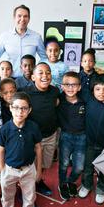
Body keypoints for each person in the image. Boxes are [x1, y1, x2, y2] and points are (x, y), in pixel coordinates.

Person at [0, 92, 42, 207]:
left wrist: (39, 170)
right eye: (16, 107)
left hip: (28, 169)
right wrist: (3, 169)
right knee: (7, 196)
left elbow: (38, 148)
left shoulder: (33, 127)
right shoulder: (5, 129)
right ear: (10, 108)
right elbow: (1, 151)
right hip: (9, 170)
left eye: (23, 108)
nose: (19, 112)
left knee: (29, 197)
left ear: (29, 110)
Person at [78, 74, 104, 205]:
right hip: (89, 144)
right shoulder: (88, 100)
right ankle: (86, 185)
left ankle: (102, 189)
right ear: (92, 90)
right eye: (98, 89)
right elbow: (79, 87)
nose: (101, 93)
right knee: (88, 168)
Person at [23, 62, 60, 196]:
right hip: (32, 138)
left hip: (50, 135)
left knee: (43, 164)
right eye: (40, 73)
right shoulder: (25, 93)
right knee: (28, 166)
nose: (45, 75)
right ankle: (25, 191)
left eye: (48, 72)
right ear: (33, 77)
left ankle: (38, 182)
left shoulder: (55, 91)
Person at [0, 5, 47, 77]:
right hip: (10, 80)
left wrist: (37, 71)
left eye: (25, 16)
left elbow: (44, 58)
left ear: (29, 19)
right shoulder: (4, 36)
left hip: (29, 79)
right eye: (19, 16)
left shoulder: (36, 37)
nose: (22, 19)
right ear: (14, 18)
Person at [56, 72, 86, 201]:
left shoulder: (84, 101)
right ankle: (62, 184)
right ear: (62, 86)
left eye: (74, 85)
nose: (70, 88)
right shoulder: (58, 100)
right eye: (67, 84)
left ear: (79, 87)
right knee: (64, 163)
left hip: (82, 136)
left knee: (79, 166)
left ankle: (71, 181)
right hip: (65, 136)